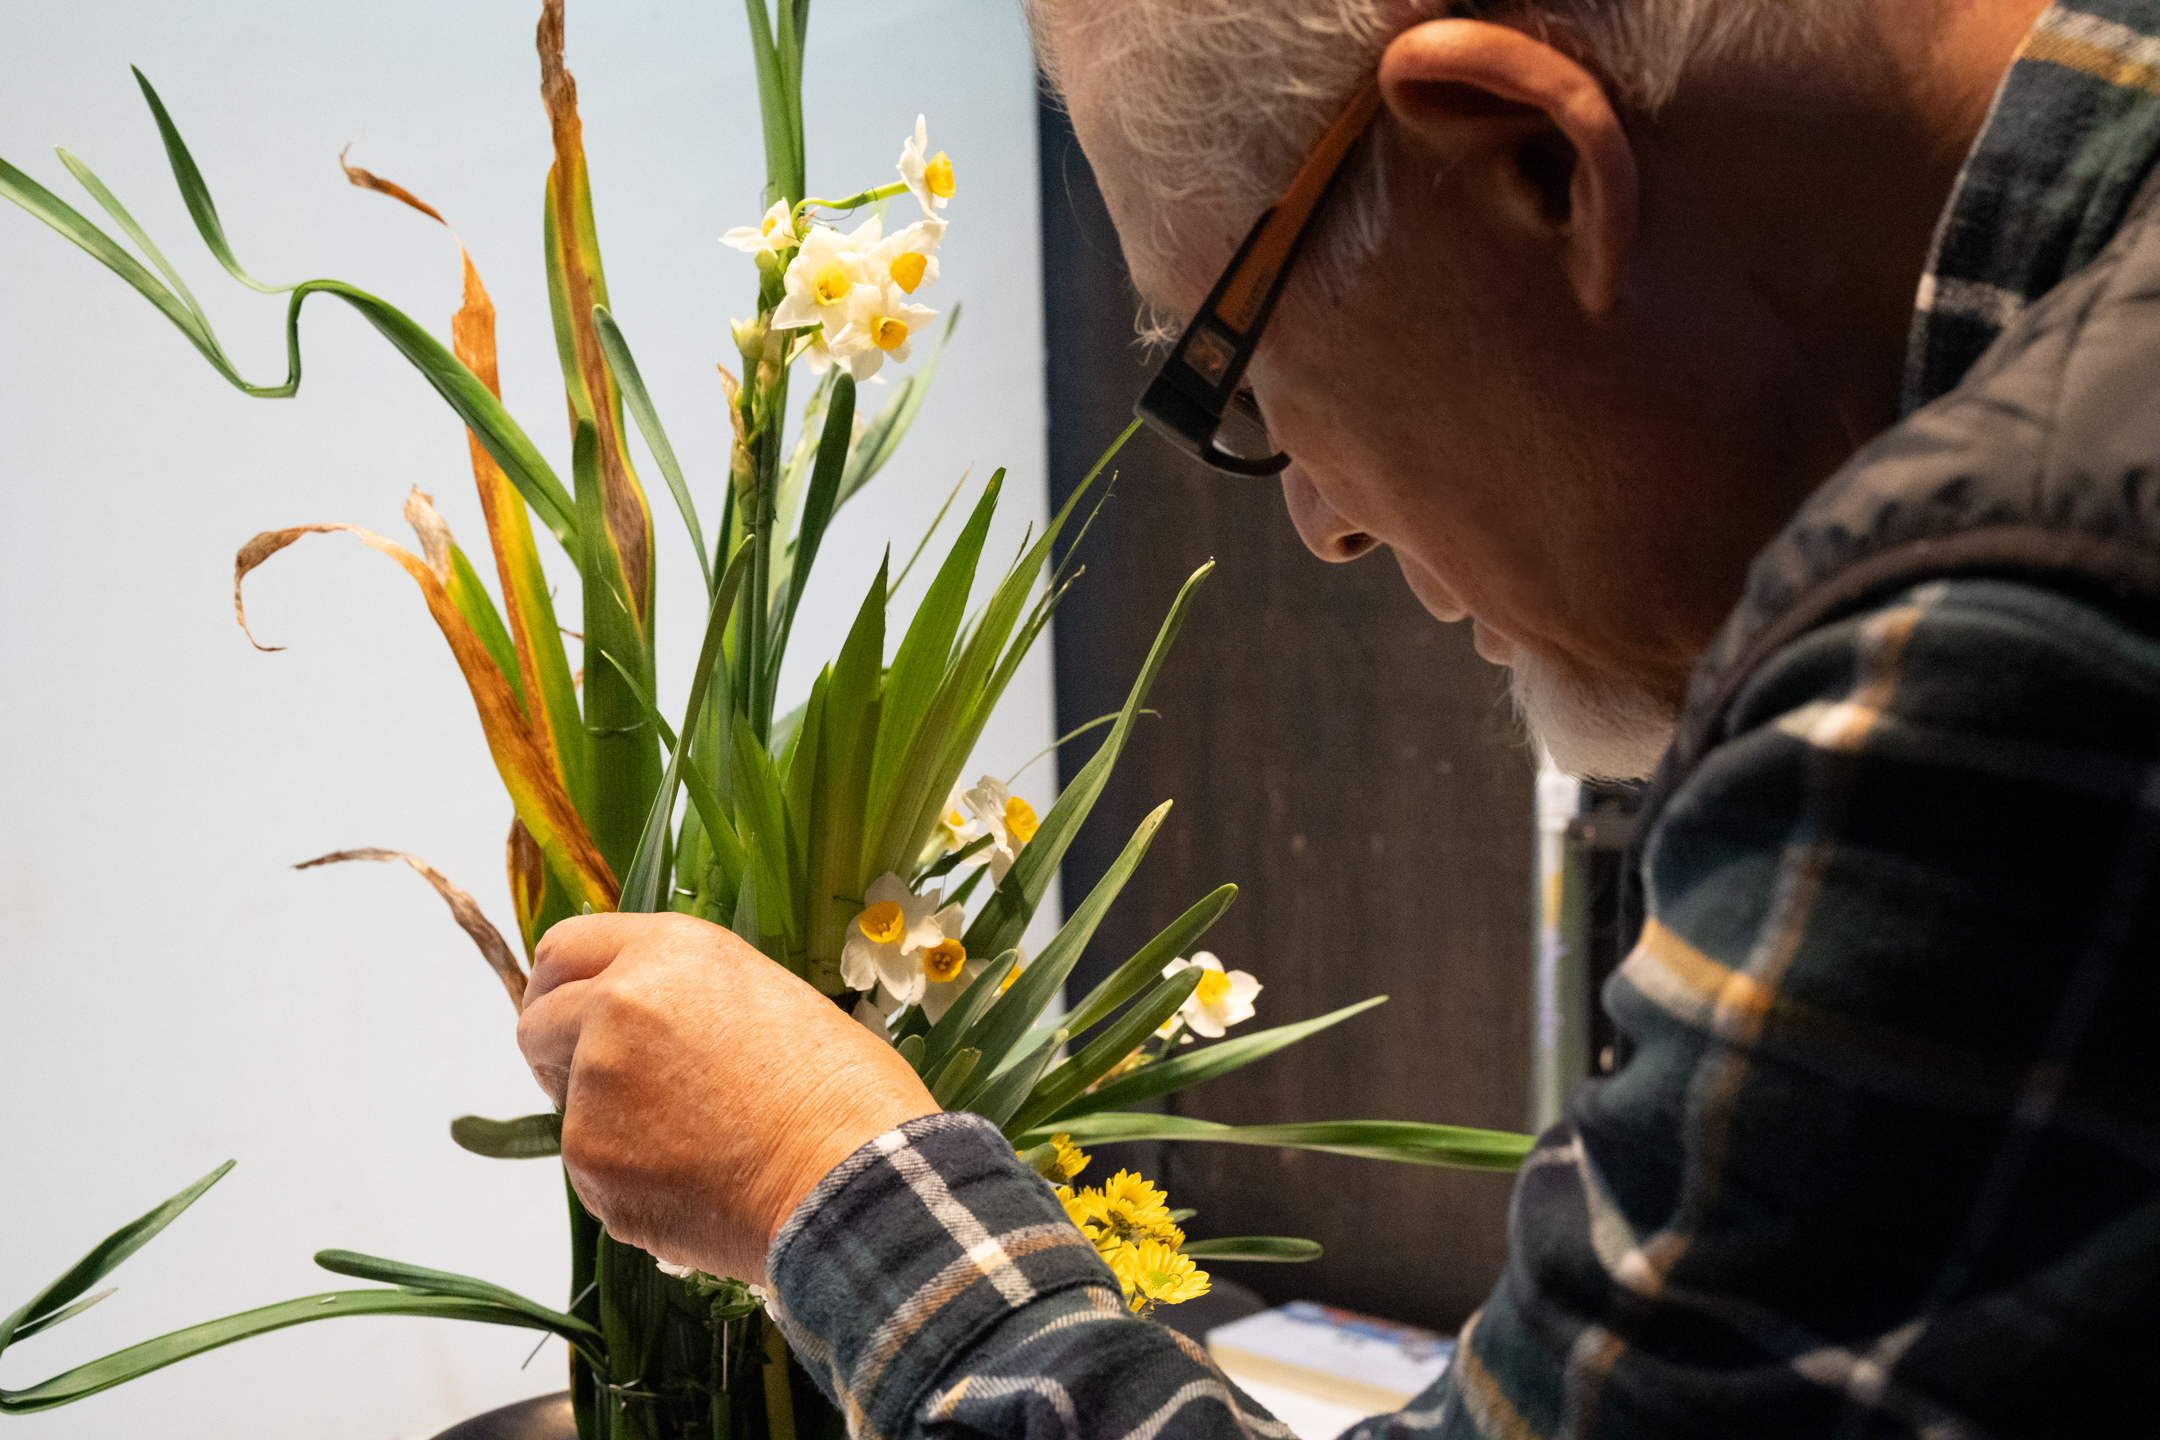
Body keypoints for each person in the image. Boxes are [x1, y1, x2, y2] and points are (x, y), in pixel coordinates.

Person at [515, 0, 2160, 1432]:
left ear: (1529, 163)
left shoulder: (1995, 648)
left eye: (1234, 367)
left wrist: (822, 1175)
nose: (1321, 520)